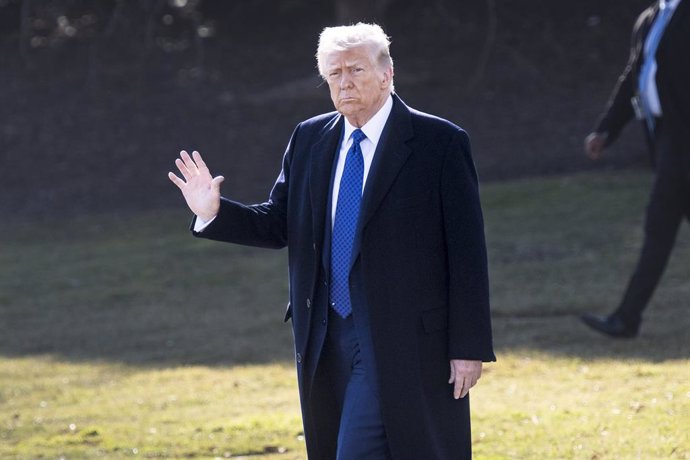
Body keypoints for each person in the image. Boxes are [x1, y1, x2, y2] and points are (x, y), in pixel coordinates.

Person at [169, 23, 495, 459]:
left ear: (387, 73)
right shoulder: (309, 139)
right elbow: (278, 223)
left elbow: (467, 252)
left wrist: (468, 347)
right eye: (334, 73)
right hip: (323, 335)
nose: (345, 82)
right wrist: (213, 212)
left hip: (405, 337)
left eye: (356, 69)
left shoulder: (439, 142)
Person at [581, 0, 689, 338]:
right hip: (665, 137)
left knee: (658, 227)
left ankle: (627, 318)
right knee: (659, 230)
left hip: (683, 141)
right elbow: (634, 78)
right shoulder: (650, 18)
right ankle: (626, 318)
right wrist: (606, 129)